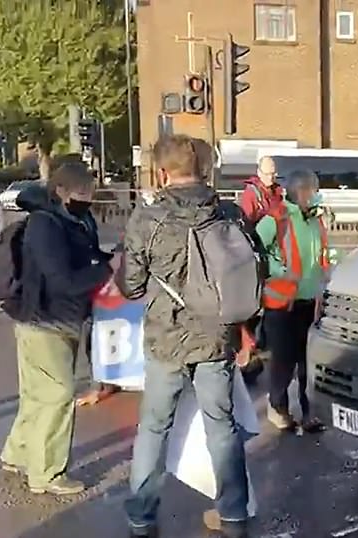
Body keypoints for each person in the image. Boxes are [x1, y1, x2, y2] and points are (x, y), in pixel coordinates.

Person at [118, 134, 249, 538]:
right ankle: (233, 512)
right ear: (204, 170)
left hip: (167, 339)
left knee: (154, 428)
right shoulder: (227, 212)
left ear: (161, 172)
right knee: (222, 426)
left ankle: (142, 516)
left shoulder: (148, 218)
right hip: (215, 337)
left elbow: (132, 285)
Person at [0, 163, 112, 496]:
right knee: (57, 395)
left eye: (90, 194)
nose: (87, 200)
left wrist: (106, 259)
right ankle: (46, 474)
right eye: (82, 194)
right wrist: (106, 271)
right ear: (61, 191)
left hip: (52, 319)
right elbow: (62, 280)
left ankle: (17, 454)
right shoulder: (45, 225)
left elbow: (84, 258)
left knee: (37, 396)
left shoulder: (72, 220)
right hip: (45, 319)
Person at [256, 169, 330, 433]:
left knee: (307, 363)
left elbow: (322, 254)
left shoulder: (315, 220)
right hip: (283, 303)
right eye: (312, 189)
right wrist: (277, 271)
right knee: (283, 362)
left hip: (310, 301)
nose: (316, 195)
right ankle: (279, 408)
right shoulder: (277, 218)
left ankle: (310, 413)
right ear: (299, 191)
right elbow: (255, 251)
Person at [236, 155, 286, 370]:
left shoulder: (277, 192)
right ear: (259, 173)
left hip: (273, 251)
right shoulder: (251, 195)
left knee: (270, 299)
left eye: (274, 173)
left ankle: (262, 341)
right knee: (254, 302)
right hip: (256, 251)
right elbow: (245, 224)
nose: (271, 177)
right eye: (267, 173)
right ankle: (248, 348)